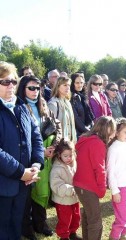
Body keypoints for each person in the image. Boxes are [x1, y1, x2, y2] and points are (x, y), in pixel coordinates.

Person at [0, 61, 44, 239]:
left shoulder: (21, 106)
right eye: (4, 81)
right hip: (3, 186)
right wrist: (20, 171)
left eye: (13, 81)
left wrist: (36, 164)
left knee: (16, 228)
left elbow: (36, 136)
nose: (11, 85)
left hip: (23, 185)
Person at [16, 75, 62, 239]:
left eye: (38, 88)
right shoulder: (17, 107)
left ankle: (40, 223)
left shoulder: (44, 107)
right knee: (27, 195)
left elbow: (57, 127)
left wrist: (53, 147)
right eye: (31, 88)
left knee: (42, 192)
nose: (35, 91)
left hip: (44, 157)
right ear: (23, 89)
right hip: (25, 158)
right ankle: (26, 228)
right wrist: (40, 150)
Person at [73, 116, 116, 240]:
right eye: (112, 130)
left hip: (80, 184)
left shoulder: (86, 138)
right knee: (96, 222)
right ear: (107, 130)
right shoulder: (97, 143)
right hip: (87, 186)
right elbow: (99, 168)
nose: (113, 134)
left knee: (88, 216)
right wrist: (102, 188)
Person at [107, 118, 126, 240]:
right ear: (117, 132)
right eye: (125, 132)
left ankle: (123, 235)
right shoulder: (113, 148)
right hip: (120, 188)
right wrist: (115, 191)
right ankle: (114, 236)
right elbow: (110, 171)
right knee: (122, 216)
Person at [50, 139, 82, 240]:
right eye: (65, 156)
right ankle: (64, 236)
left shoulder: (74, 163)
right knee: (65, 219)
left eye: (70, 155)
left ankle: (72, 233)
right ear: (59, 155)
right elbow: (56, 185)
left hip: (74, 198)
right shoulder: (57, 168)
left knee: (76, 217)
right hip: (62, 200)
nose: (69, 158)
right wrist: (70, 190)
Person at [48, 76, 77, 143]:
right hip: (59, 144)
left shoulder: (67, 102)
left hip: (69, 143)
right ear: (58, 86)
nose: (68, 87)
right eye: (65, 85)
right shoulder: (53, 104)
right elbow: (51, 127)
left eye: (69, 85)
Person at [70, 73, 94, 139]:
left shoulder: (82, 96)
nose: (80, 85)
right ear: (72, 83)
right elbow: (76, 119)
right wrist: (89, 131)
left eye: (81, 82)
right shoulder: (71, 97)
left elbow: (88, 114)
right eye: (77, 83)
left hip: (87, 130)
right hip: (78, 134)